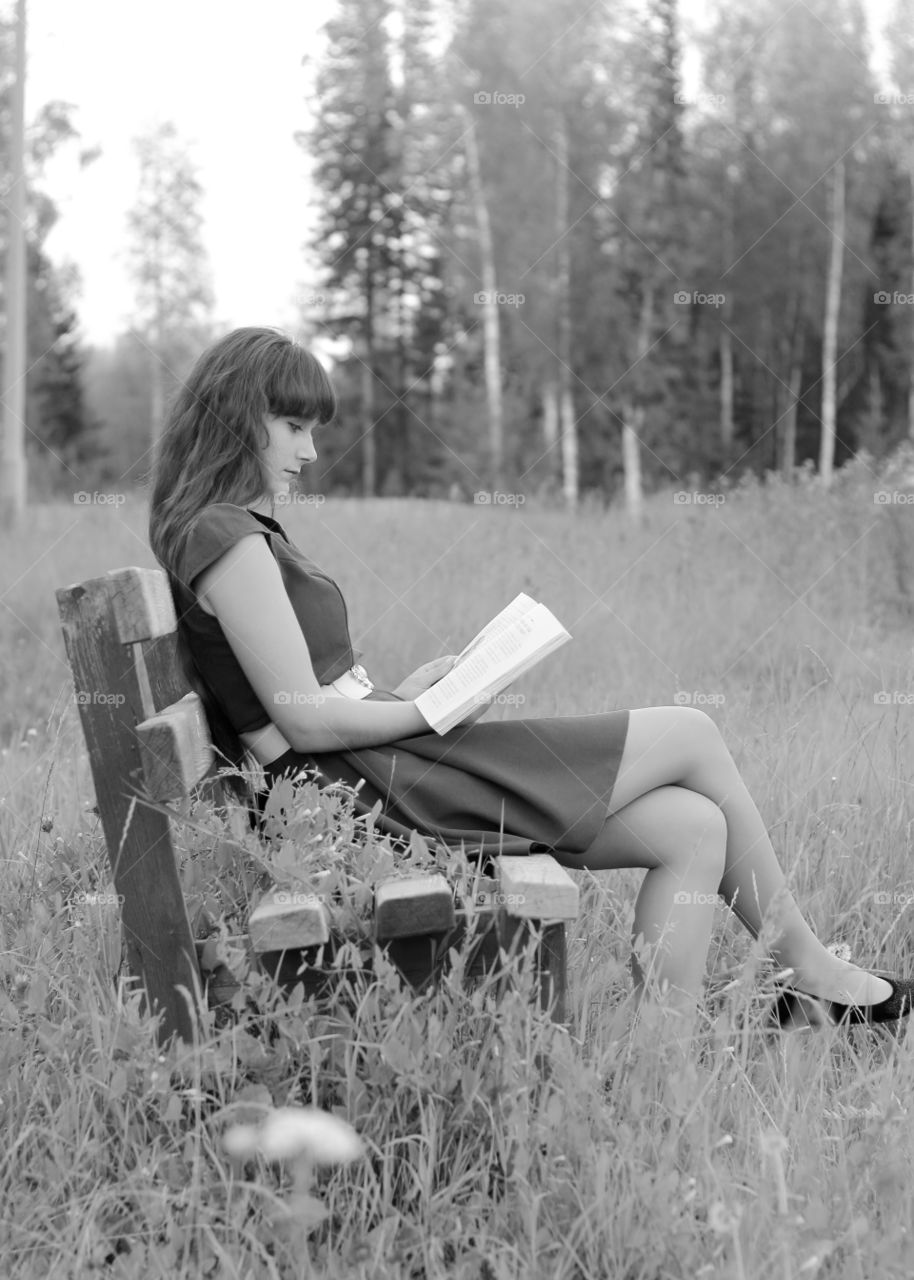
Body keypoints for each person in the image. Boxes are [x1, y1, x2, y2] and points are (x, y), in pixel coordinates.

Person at [147, 327, 913, 1032]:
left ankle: (662, 1076)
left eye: (312, 429)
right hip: (351, 793)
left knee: (693, 828)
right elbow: (304, 721)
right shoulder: (225, 536)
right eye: (294, 426)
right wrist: (428, 710)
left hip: (363, 773)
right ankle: (812, 971)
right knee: (692, 731)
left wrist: (405, 693)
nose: (311, 451)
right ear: (236, 418)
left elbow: (302, 697)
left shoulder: (232, 532)